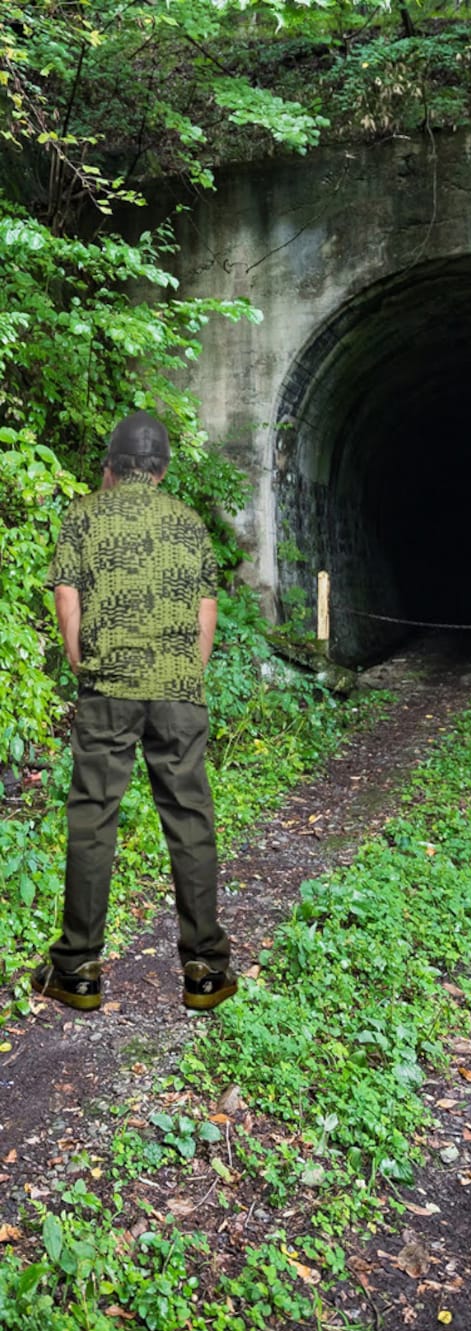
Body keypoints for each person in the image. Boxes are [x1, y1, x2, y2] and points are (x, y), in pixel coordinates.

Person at [31, 411, 237, 1014]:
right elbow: (206, 607)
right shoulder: (189, 523)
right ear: (162, 468)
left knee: (94, 818)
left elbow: (66, 594)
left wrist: (81, 660)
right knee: (189, 817)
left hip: (108, 689)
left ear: (111, 467)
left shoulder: (84, 515)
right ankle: (205, 970)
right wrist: (187, 671)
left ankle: (78, 970)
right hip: (178, 692)